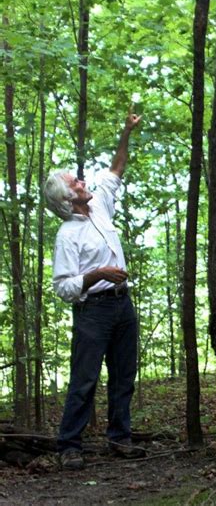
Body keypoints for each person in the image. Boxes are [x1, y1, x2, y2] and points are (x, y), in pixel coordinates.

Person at [44, 111, 144, 470]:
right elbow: (64, 288)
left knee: (124, 376)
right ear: (68, 198)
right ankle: (69, 446)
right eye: (76, 181)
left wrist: (125, 131)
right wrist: (96, 275)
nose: (83, 180)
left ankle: (120, 438)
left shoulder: (99, 205)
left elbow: (116, 169)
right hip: (94, 312)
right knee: (84, 380)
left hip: (123, 305)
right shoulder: (67, 236)